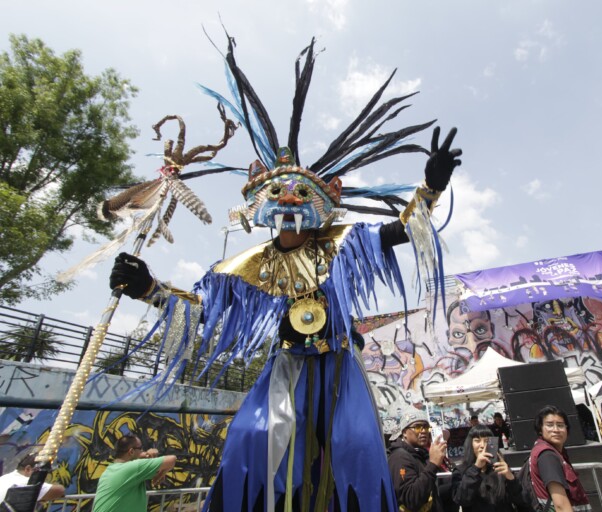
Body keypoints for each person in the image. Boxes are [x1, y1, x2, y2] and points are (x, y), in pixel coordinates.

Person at [108, 38, 461, 512]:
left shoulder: (344, 242)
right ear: (262, 204)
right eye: (280, 192)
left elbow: (403, 230)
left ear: (325, 200)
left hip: (339, 368)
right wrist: (148, 289)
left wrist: (430, 188)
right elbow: (197, 311)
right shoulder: (243, 267)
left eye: (301, 193)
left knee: (357, 445)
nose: (290, 199)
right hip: (287, 369)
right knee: (253, 439)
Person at [528, 405, 592, 512]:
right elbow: (560, 505)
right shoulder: (547, 456)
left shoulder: (550, 450)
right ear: (540, 429)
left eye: (560, 425)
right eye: (549, 425)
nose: (556, 430)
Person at [92, 434, 176, 512]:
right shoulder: (134, 467)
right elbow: (172, 459)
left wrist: (151, 462)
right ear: (131, 451)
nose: (143, 451)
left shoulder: (110, 469)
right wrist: (161, 474)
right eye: (140, 448)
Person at [451, 425, 524, 512]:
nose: (482, 445)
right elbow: (461, 499)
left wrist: (511, 478)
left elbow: (521, 499)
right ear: (470, 444)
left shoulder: (500, 466)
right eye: (477, 441)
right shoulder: (461, 470)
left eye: (486, 441)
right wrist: (476, 468)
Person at [387, 409, 448, 512]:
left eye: (426, 427)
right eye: (417, 427)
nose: (423, 431)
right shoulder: (399, 458)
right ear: (405, 433)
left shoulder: (420, 454)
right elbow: (411, 499)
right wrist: (432, 464)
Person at [0, 453, 65, 505]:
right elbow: (60, 490)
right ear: (28, 469)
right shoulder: (26, 483)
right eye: (41, 473)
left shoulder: (4, 478)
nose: (45, 478)